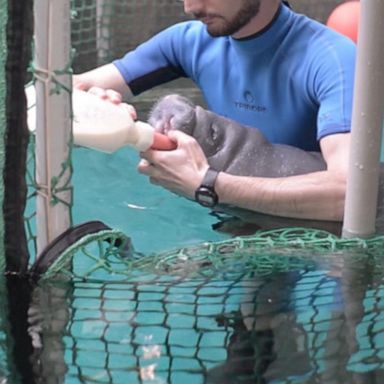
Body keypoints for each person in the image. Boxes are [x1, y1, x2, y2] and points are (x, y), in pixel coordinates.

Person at [73, 0, 356, 224]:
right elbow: (60, 93)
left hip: (314, 235)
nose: (191, 6)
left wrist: (207, 185)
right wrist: (97, 103)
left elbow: (351, 195)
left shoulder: (334, 59)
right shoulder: (189, 42)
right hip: (232, 216)